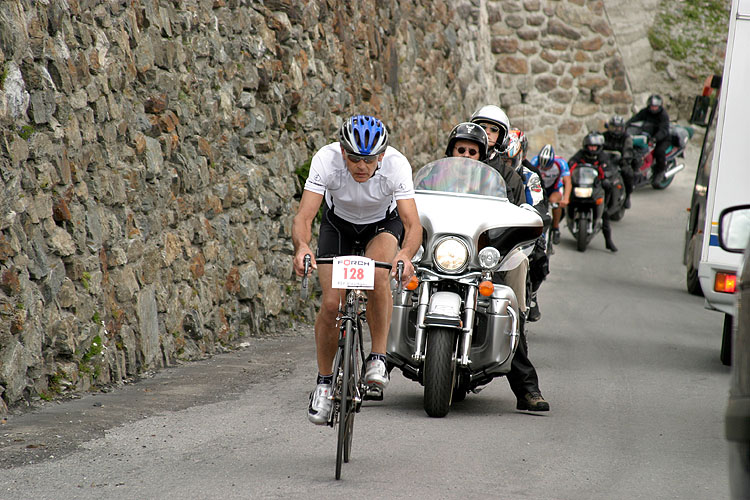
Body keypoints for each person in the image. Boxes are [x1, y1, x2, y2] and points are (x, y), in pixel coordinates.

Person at [292, 115, 422, 424]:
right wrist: (302, 247)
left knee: (378, 277)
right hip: (339, 226)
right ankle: (324, 384)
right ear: (341, 151)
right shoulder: (325, 160)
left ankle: (377, 357)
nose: (360, 166)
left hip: (382, 225)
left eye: (368, 159)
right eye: (353, 158)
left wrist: (405, 254)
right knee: (331, 304)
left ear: (381, 156)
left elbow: (411, 223)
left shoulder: (397, 165)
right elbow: (305, 216)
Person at [446, 120, 550, 412]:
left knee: (506, 309)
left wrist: (497, 252)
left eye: (471, 151)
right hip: (447, 254)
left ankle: (527, 388)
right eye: (460, 150)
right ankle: (375, 369)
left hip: (489, 257)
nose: (466, 156)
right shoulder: (440, 175)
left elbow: (514, 218)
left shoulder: (509, 176)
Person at [506, 129, 550, 322]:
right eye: (502, 160)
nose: (504, 165)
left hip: (518, 228)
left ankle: (531, 296)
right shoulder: (485, 171)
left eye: (508, 161)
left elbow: (538, 205)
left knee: (539, 256)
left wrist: (537, 218)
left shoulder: (529, 176)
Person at [568, 132, 618, 252]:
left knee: (604, 214)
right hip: (581, 185)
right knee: (566, 201)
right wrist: (570, 168)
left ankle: (608, 241)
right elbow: (571, 162)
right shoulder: (581, 154)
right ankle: (555, 230)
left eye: (594, 146)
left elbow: (609, 168)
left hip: (595, 187)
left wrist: (606, 177)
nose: (592, 149)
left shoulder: (603, 156)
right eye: (590, 146)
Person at [469, 105, 526, 206]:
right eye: (482, 127)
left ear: (501, 137)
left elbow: (518, 213)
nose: (487, 132)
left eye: (494, 129)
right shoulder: (455, 163)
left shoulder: (510, 176)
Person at [530, 144, 571, 246]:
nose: (545, 169)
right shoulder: (535, 161)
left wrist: (566, 199)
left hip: (554, 189)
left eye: (547, 167)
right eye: (543, 167)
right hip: (540, 188)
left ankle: (556, 227)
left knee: (555, 202)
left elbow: (568, 182)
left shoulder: (561, 163)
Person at [627, 94, 670, 184]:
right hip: (647, 135)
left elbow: (663, 130)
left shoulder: (663, 115)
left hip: (661, 138)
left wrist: (655, 138)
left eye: (655, 106)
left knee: (659, 152)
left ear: (659, 106)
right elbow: (634, 119)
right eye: (651, 106)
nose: (653, 108)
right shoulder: (645, 112)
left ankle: (660, 172)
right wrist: (624, 127)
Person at [603, 115, 635, 208]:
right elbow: (598, 148)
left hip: (619, 162)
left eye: (619, 127)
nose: (616, 130)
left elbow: (628, 151)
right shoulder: (604, 136)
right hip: (606, 161)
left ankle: (627, 196)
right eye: (614, 127)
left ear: (623, 128)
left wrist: (624, 160)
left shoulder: (626, 138)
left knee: (628, 173)